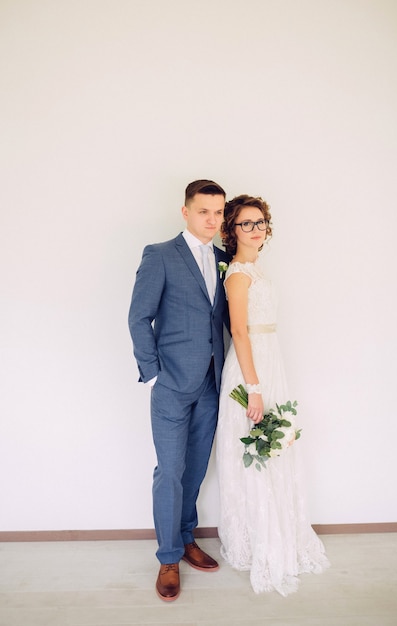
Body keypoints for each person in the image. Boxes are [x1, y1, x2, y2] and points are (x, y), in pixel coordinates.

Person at [216, 194, 329, 595]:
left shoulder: (257, 270)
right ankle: (257, 538)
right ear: (231, 230)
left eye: (260, 221)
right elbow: (240, 332)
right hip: (251, 369)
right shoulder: (237, 276)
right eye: (246, 223)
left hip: (271, 359)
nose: (256, 228)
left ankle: (282, 528)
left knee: (277, 449)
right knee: (255, 453)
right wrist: (255, 389)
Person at [128, 179, 231, 602]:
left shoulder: (225, 259)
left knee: (194, 469)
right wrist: (153, 374)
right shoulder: (160, 255)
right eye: (204, 211)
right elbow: (139, 317)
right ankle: (169, 556)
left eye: (218, 212)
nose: (212, 219)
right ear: (185, 211)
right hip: (171, 382)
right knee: (168, 471)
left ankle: (187, 539)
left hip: (212, 381)